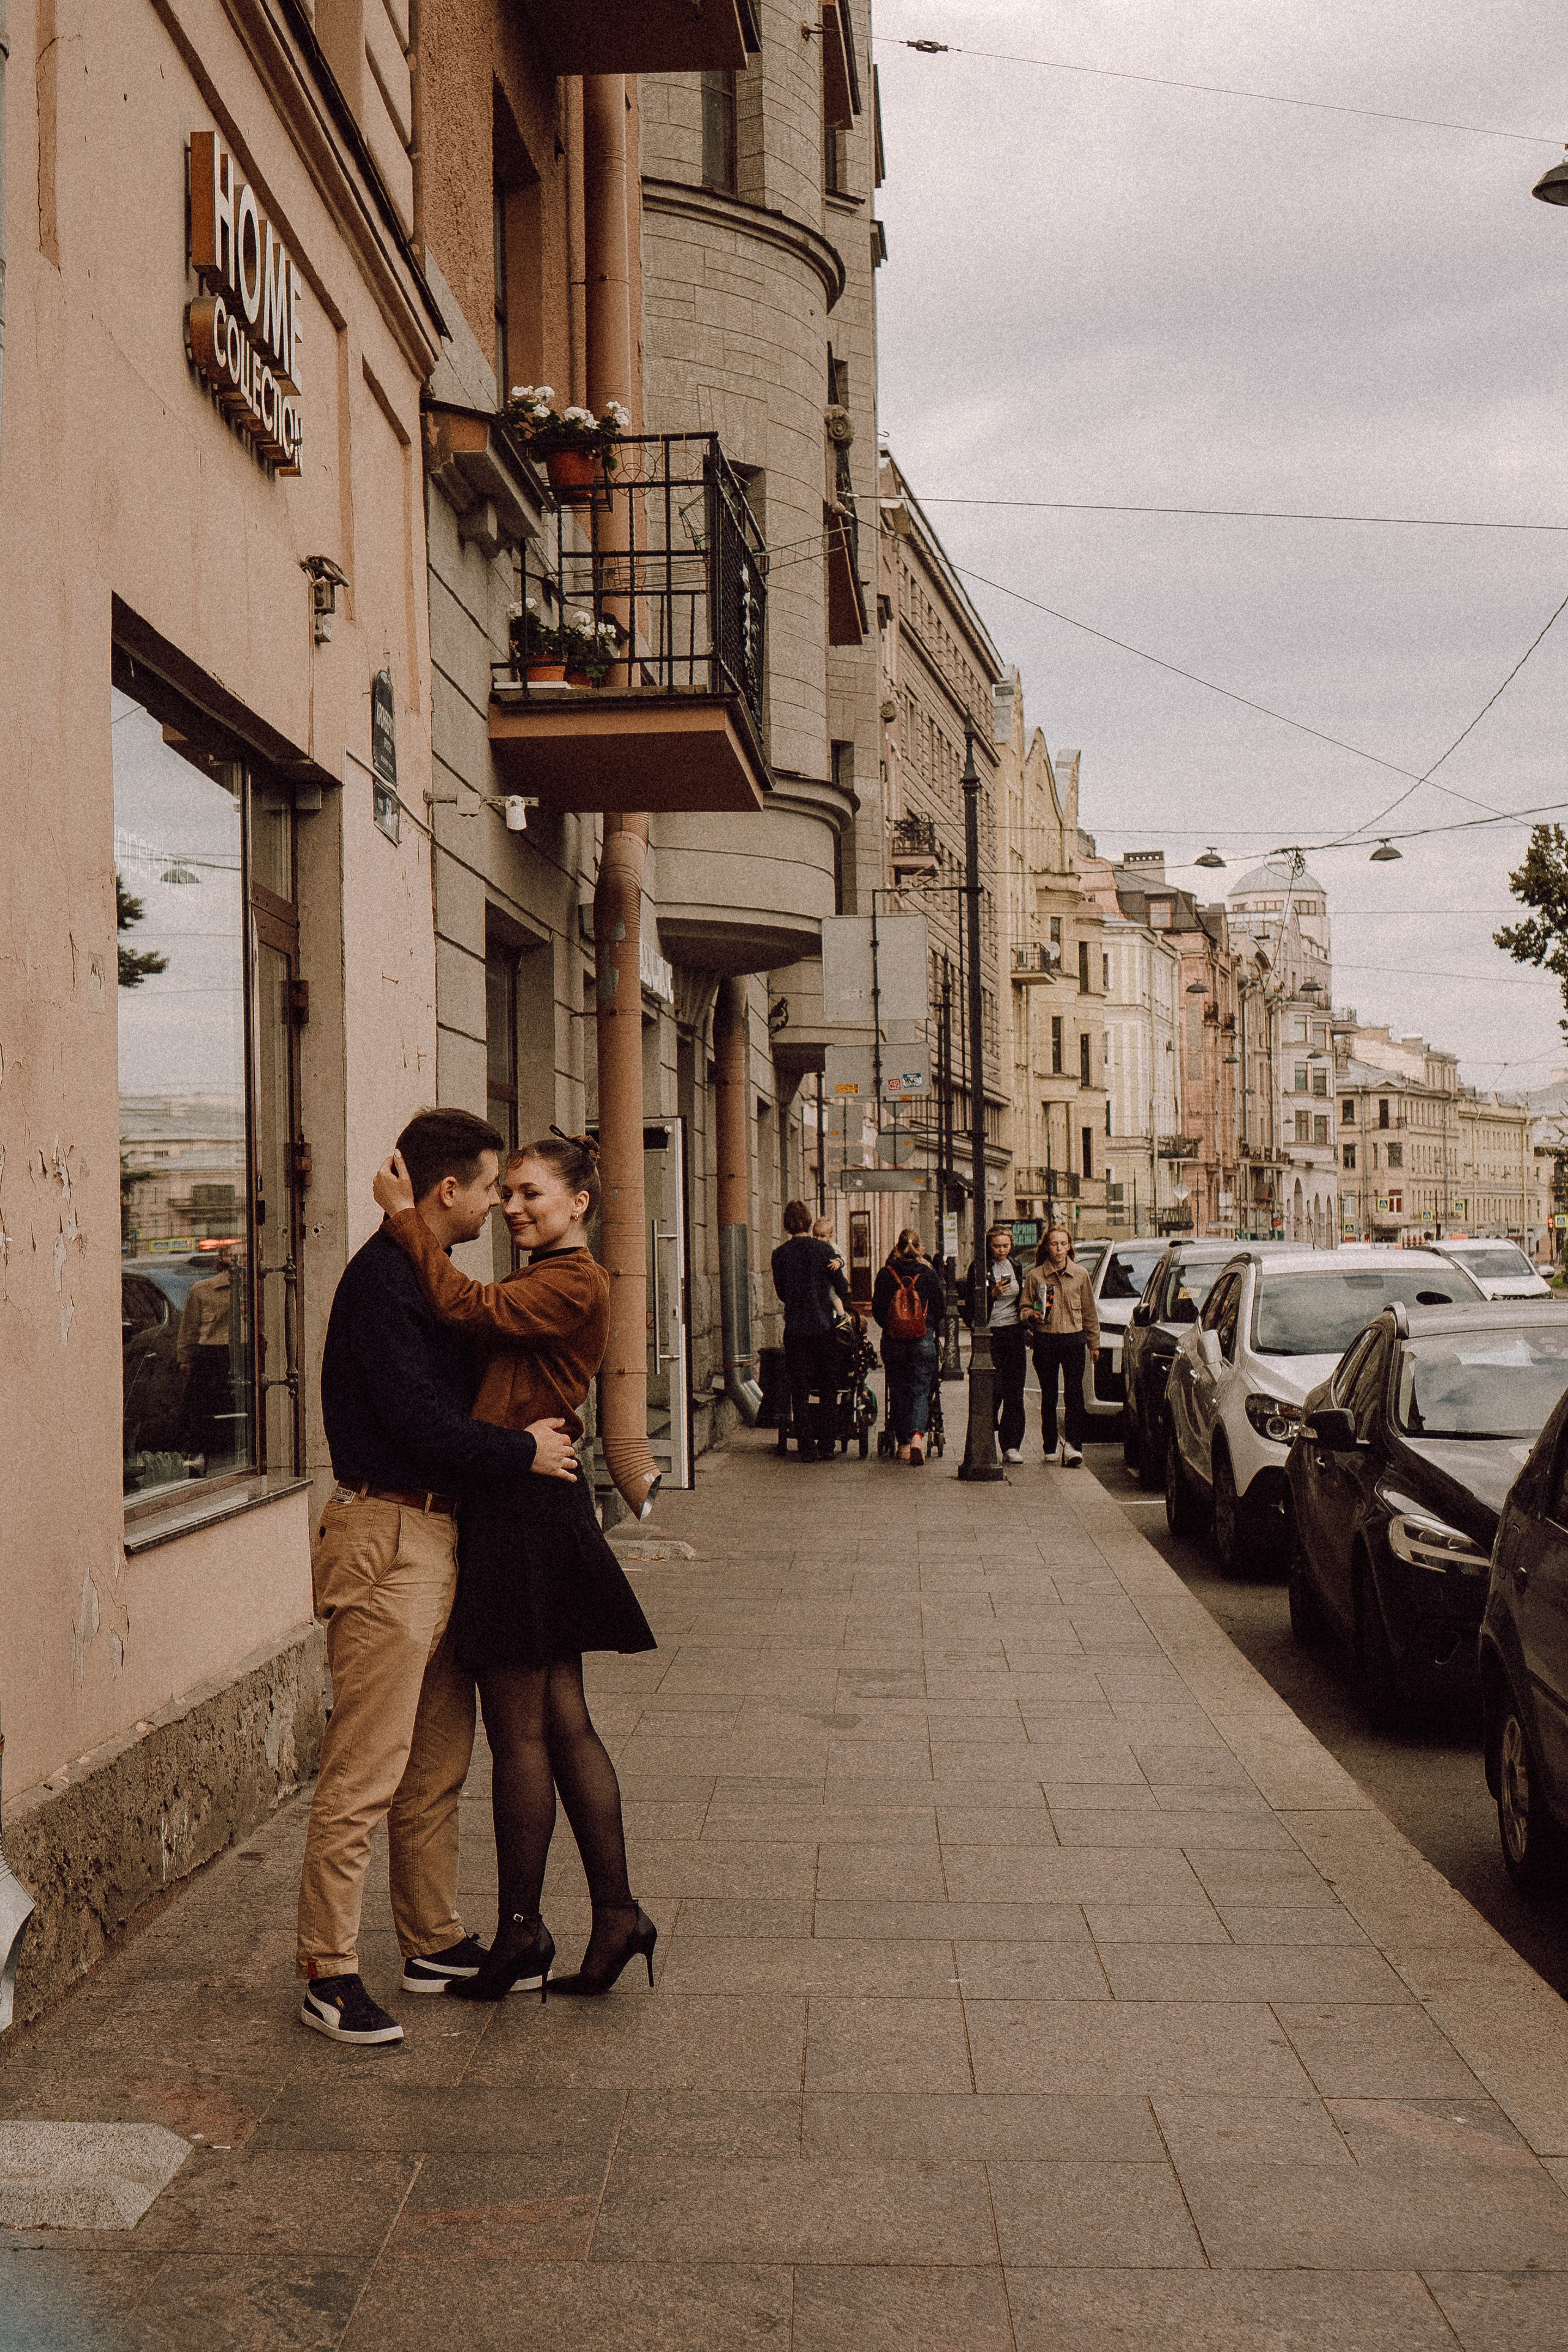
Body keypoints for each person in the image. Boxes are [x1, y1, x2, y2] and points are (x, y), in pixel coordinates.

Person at [297, 1109, 581, 2048]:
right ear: (447, 1191)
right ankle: (328, 1969)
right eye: (494, 1187)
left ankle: (430, 1940)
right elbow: (422, 1422)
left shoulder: (423, 1272)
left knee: (436, 1764)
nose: (503, 1204)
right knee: (366, 1770)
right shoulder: (385, 1281)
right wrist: (519, 1452)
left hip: (437, 1533)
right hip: (386, 1532)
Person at [372, 1130, 659, 2003]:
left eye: (531, 1193)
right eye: (510, 1194)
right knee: (562, 1720)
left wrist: (404, 1221)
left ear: (578, 1205)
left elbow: (468, 1310)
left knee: (522, 1731)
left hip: (524, 1513)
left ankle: (521, 1933)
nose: (514, 1207)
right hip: (529, 1501)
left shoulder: (574, 1279)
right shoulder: (549, 1277)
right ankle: (615, 1916)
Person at [771, 1199, 852, 1461]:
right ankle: (827, 1443)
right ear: (808, 1221)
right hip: (823, 1329)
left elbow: (782, 1293)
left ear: (786, 1224)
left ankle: (805, 1445)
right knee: (828, 1387)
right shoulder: (824, 1250)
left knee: (800, 1389)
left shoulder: (780, 1254)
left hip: (796, 1329)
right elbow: (842, 1287)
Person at [1021, 1223, 1101, 1466]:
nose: (1059, 1248)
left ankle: (1074, 1446)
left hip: (1074, 1338)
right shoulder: (1035, 1276)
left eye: (1063, 1244)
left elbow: (1089, 1310)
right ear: (1047, 1247)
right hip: (1046, 1338)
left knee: (1074, 1394)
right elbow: (1024, 1307)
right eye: (1054, 1244)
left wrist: (1094, 1342)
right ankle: (1050, 1444)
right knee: (1049, 1395)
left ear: (1069, 1247)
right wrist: (1032, 1315)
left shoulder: (1080, 1275)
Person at [872, 1227, 944, 1464]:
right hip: (922, 1339)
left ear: (898, 1247)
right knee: (921, 1389)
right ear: (920, 1248)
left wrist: (892, 1326)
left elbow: (878, 1311)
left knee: (899, 1389)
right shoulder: (929, 1273)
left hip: (894, 1341)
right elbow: (940, 1310)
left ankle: (903, 1444)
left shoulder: (886, 1274)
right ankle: (917, 1436)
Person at [965, 1224, 1028, 1463]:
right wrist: (990, 1295)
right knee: (994, 1389)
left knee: (1015, 1391)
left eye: (1006, 1246)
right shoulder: (980, 1268)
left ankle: (1012, 1445)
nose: (1002, 1250)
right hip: (990, 1334)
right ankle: (987, 1436)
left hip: (1013, 1332)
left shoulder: (1016, 1266)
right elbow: (970, 1303)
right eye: (997, 1246)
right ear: (988, 1246)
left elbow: (1022, 1297)